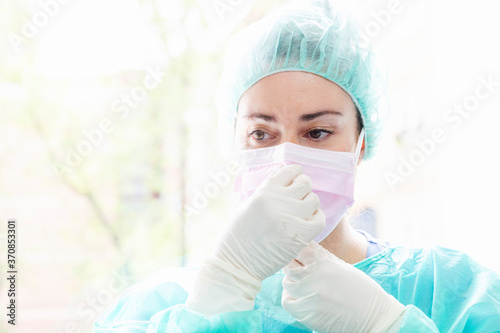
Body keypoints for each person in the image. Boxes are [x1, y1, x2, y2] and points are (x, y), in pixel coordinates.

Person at [94, 0, 500, 332]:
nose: (286, 160)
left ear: (360, 145)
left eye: (318, 133)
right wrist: (219, 293)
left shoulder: (447, 288)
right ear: (234, 143)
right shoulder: (160, 307)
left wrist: (388, 325)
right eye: (261, 134)